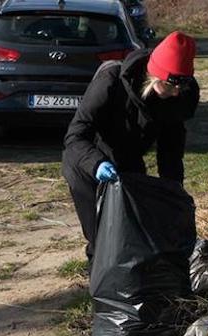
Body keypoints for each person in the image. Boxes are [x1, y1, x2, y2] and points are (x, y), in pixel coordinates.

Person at [62, 31, 200, 261]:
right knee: (102, 236)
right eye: (171, 84)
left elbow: (170, 152)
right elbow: (75, 136)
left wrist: (172, 190)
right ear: (154, 76)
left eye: (182, 86)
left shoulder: (177, 98)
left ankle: (133, 286)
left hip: (128, 161)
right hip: (87, 162)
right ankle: (100, 287)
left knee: (131, 230)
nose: (177, 91)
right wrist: (96, 164)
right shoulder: (111, 82)